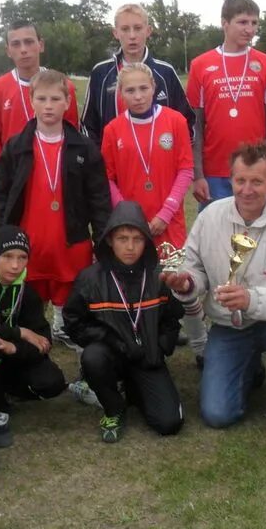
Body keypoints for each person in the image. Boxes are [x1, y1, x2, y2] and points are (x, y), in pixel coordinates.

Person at [163, 142, 266, 444]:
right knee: (217, 414)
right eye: (240, 181)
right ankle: (249, 368)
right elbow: (194, 267)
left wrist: (252, 299)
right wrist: (187, 284)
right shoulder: (211, 217)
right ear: (231, 179)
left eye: (257, 182)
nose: (247, 190)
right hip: (230, 325)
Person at [0, 69, 111, 368]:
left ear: (67, 101)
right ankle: (26, 359)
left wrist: (103, 240)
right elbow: (1, 195)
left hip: (70, 243)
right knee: (26, 303)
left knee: (75, 302)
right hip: (28, 244)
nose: (48, 105)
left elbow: (99, 199)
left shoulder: (84, 147)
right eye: (41, 98)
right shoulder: (16, 146)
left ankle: (79, 354)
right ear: (31, 101)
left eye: (55, 98)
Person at [101, 62, 207, 361]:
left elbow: (185, 168)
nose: (138, 95)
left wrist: (166, 212)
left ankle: (201, 344)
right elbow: (107, 177)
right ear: (121, 94)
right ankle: (143, 342)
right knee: (138, 284)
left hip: (168, 221)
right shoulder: (113, 129)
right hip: (132, 225)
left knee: (180, 282)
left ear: (155, 89)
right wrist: (129, 215)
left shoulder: (174, 121)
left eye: (143, 88)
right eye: (130, 90)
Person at [63, 201, 186, 442]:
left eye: (137, 239)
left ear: (147, 241)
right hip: (111, 355)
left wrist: (161, 347)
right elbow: (73, 322)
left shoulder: (159, 275)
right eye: (122, 238)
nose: (130, 247)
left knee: (169, 423)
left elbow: (173, 318)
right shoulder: (90, 279)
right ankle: (113, 407)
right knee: (93, 358)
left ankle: (132, 388)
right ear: (109, 240)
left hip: (147, 358)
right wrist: (110, 339)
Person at [0, 225, 67, 448]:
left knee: (53, 383)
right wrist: (18, 332)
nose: (15, 265)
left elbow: (43, 340)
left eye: (22, 257)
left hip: (12, 357)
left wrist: (15, 348)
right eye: (7, 256)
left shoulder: (27, 291)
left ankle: (6, 390)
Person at [187, 0, 266, 206]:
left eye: (254, 23)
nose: (249, 29)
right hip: (215, 172)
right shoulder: (200, 65)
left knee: (257, 235)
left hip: (257, 170)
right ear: (225, 23)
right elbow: (195, 126)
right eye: (242, 22)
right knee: (216, 236)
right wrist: (198, 174)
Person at [81, 3, 194, 145]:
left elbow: (187, 122)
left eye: (138, 28)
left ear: (148, 30)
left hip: (159, 162)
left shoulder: (165, 73)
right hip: (113, 163)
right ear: (115, 33)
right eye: (125, 29)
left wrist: (173, 156)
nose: (132, 36)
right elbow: (88, 125)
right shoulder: (101, 73)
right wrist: (99, 160)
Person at [0, 20, 79, 146]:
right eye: (16, 44)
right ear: (8, 51)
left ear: (41, 45)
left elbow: (73, 135)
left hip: (55, 163)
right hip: (13, 164)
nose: (23, 49)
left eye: (29, 42)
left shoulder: (65, 86)